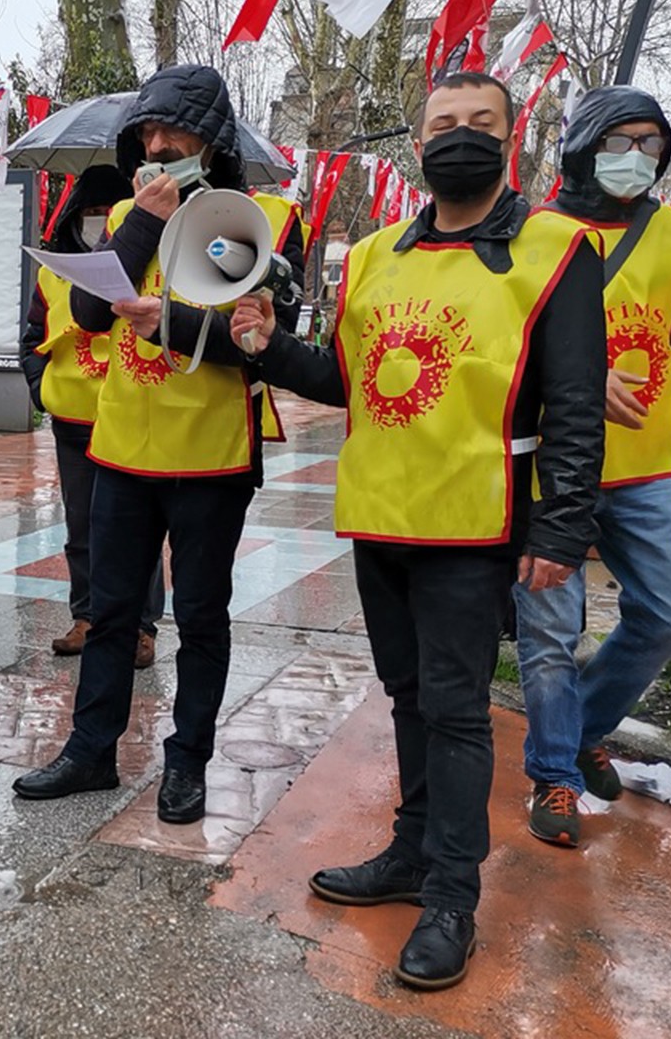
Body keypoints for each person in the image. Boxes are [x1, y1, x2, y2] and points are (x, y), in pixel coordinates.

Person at [230, 70, 604, 990]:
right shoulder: (377, 254)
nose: (460, 137)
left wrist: (559, 531)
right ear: (420, 142)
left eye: (481, 123)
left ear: (511, 138)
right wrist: (267, 348)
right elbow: (354, 378)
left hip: (476, 523)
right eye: (443, 123)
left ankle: (452, 898)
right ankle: (409, 850)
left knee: (455, 708)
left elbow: (578, 403)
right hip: (380, 515)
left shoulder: (558, 250)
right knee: (405, 697)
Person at [10, 64, 306, 827]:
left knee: (202, 616)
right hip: (121, 446)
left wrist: (166, 325)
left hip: (211, 454)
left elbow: (266, 344)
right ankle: (90, 750)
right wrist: (145, 218)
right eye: (147, 131)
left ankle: (188, 763)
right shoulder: (121, 216)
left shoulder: (266, 216)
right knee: (112, 611)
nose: (157, 144)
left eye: (174, 132)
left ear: (210, 142)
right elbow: (85, 308)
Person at [512, 87, 671, 848]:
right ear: (585, 142)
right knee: (550, 635)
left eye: (651, 144)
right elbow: (500, 347)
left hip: (646, 469)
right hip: (554, 469)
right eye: (621, 140)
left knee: (666, 615)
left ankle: (583, 729)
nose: (637, 158)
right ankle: (556, 777)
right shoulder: (532, 233)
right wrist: (579, 377)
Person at [18, 164, 166, 667]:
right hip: (72, 424)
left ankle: (142, 627)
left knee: (137, 530)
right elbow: (32, 337)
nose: (100, 221)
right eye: (91, 212)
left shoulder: (148, 265)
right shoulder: (52, 271)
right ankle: (86, 615)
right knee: (81, 527)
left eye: (109, 212)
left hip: (128, 418)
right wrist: (41, 389)